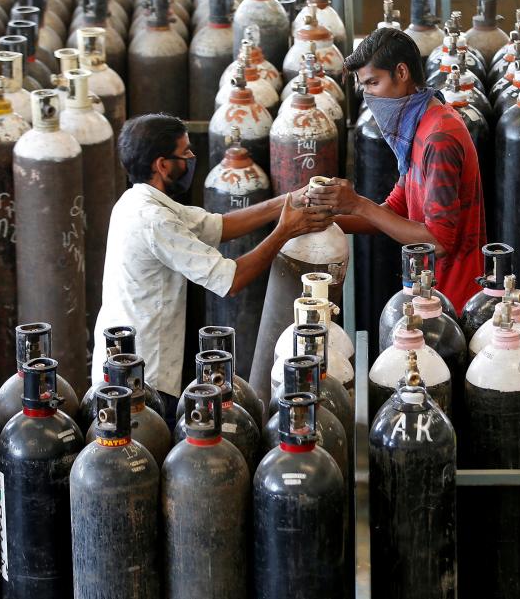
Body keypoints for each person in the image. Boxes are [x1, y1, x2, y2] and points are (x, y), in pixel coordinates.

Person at [92, 113, 331, 421]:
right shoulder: (154, 220)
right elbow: (231, 281)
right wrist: (284, 231)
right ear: (162, 165)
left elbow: (219, 225)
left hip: (132, 358)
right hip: (143, 374)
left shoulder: (136, 201)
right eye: (185, 153)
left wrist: (288, 200)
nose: (192, 158)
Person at [307, 27, 485, 312]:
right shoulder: (419, 126)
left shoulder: (439, 138)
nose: (368, 96)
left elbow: (437, 242)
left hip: (452, 302)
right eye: (364, 87)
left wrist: (358, 204)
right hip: (426, 291)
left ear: (401, 73)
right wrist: (322, 218)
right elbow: (393, 211)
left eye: (373, 83)